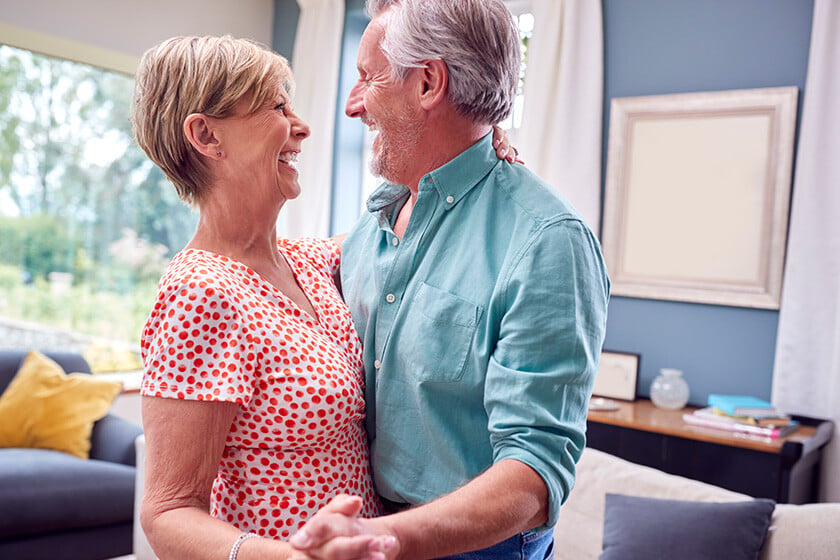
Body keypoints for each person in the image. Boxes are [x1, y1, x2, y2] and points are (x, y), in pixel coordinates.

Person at [132, 35, 517, 560]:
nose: (302, 125)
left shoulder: (308, 262)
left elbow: (408, 219)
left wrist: (475, 143)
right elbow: (168, 512)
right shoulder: (199, 294)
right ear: (206, 135)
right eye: (276, 105)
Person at [289, 1, 611, 559]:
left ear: (428, 82)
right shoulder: (370, 227)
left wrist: (382, 539)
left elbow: (532, 478)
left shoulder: (546, 241)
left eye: (368, 76)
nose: (351, 105)